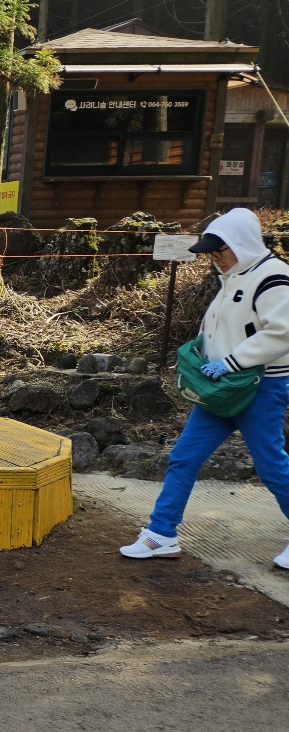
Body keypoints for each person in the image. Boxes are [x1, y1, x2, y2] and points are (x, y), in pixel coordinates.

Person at [120, 207, 289, 570]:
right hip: (220, 388)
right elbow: (218, 327)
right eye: (211, 252)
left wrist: (230, 362)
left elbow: (282, 332)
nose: (214, 258)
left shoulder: (274, 277)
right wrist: (198, 355)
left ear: (242, 244)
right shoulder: (234, 275)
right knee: (183, 457)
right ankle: (160, 533)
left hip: (260, 387)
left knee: (271, 466)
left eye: (219, 250)